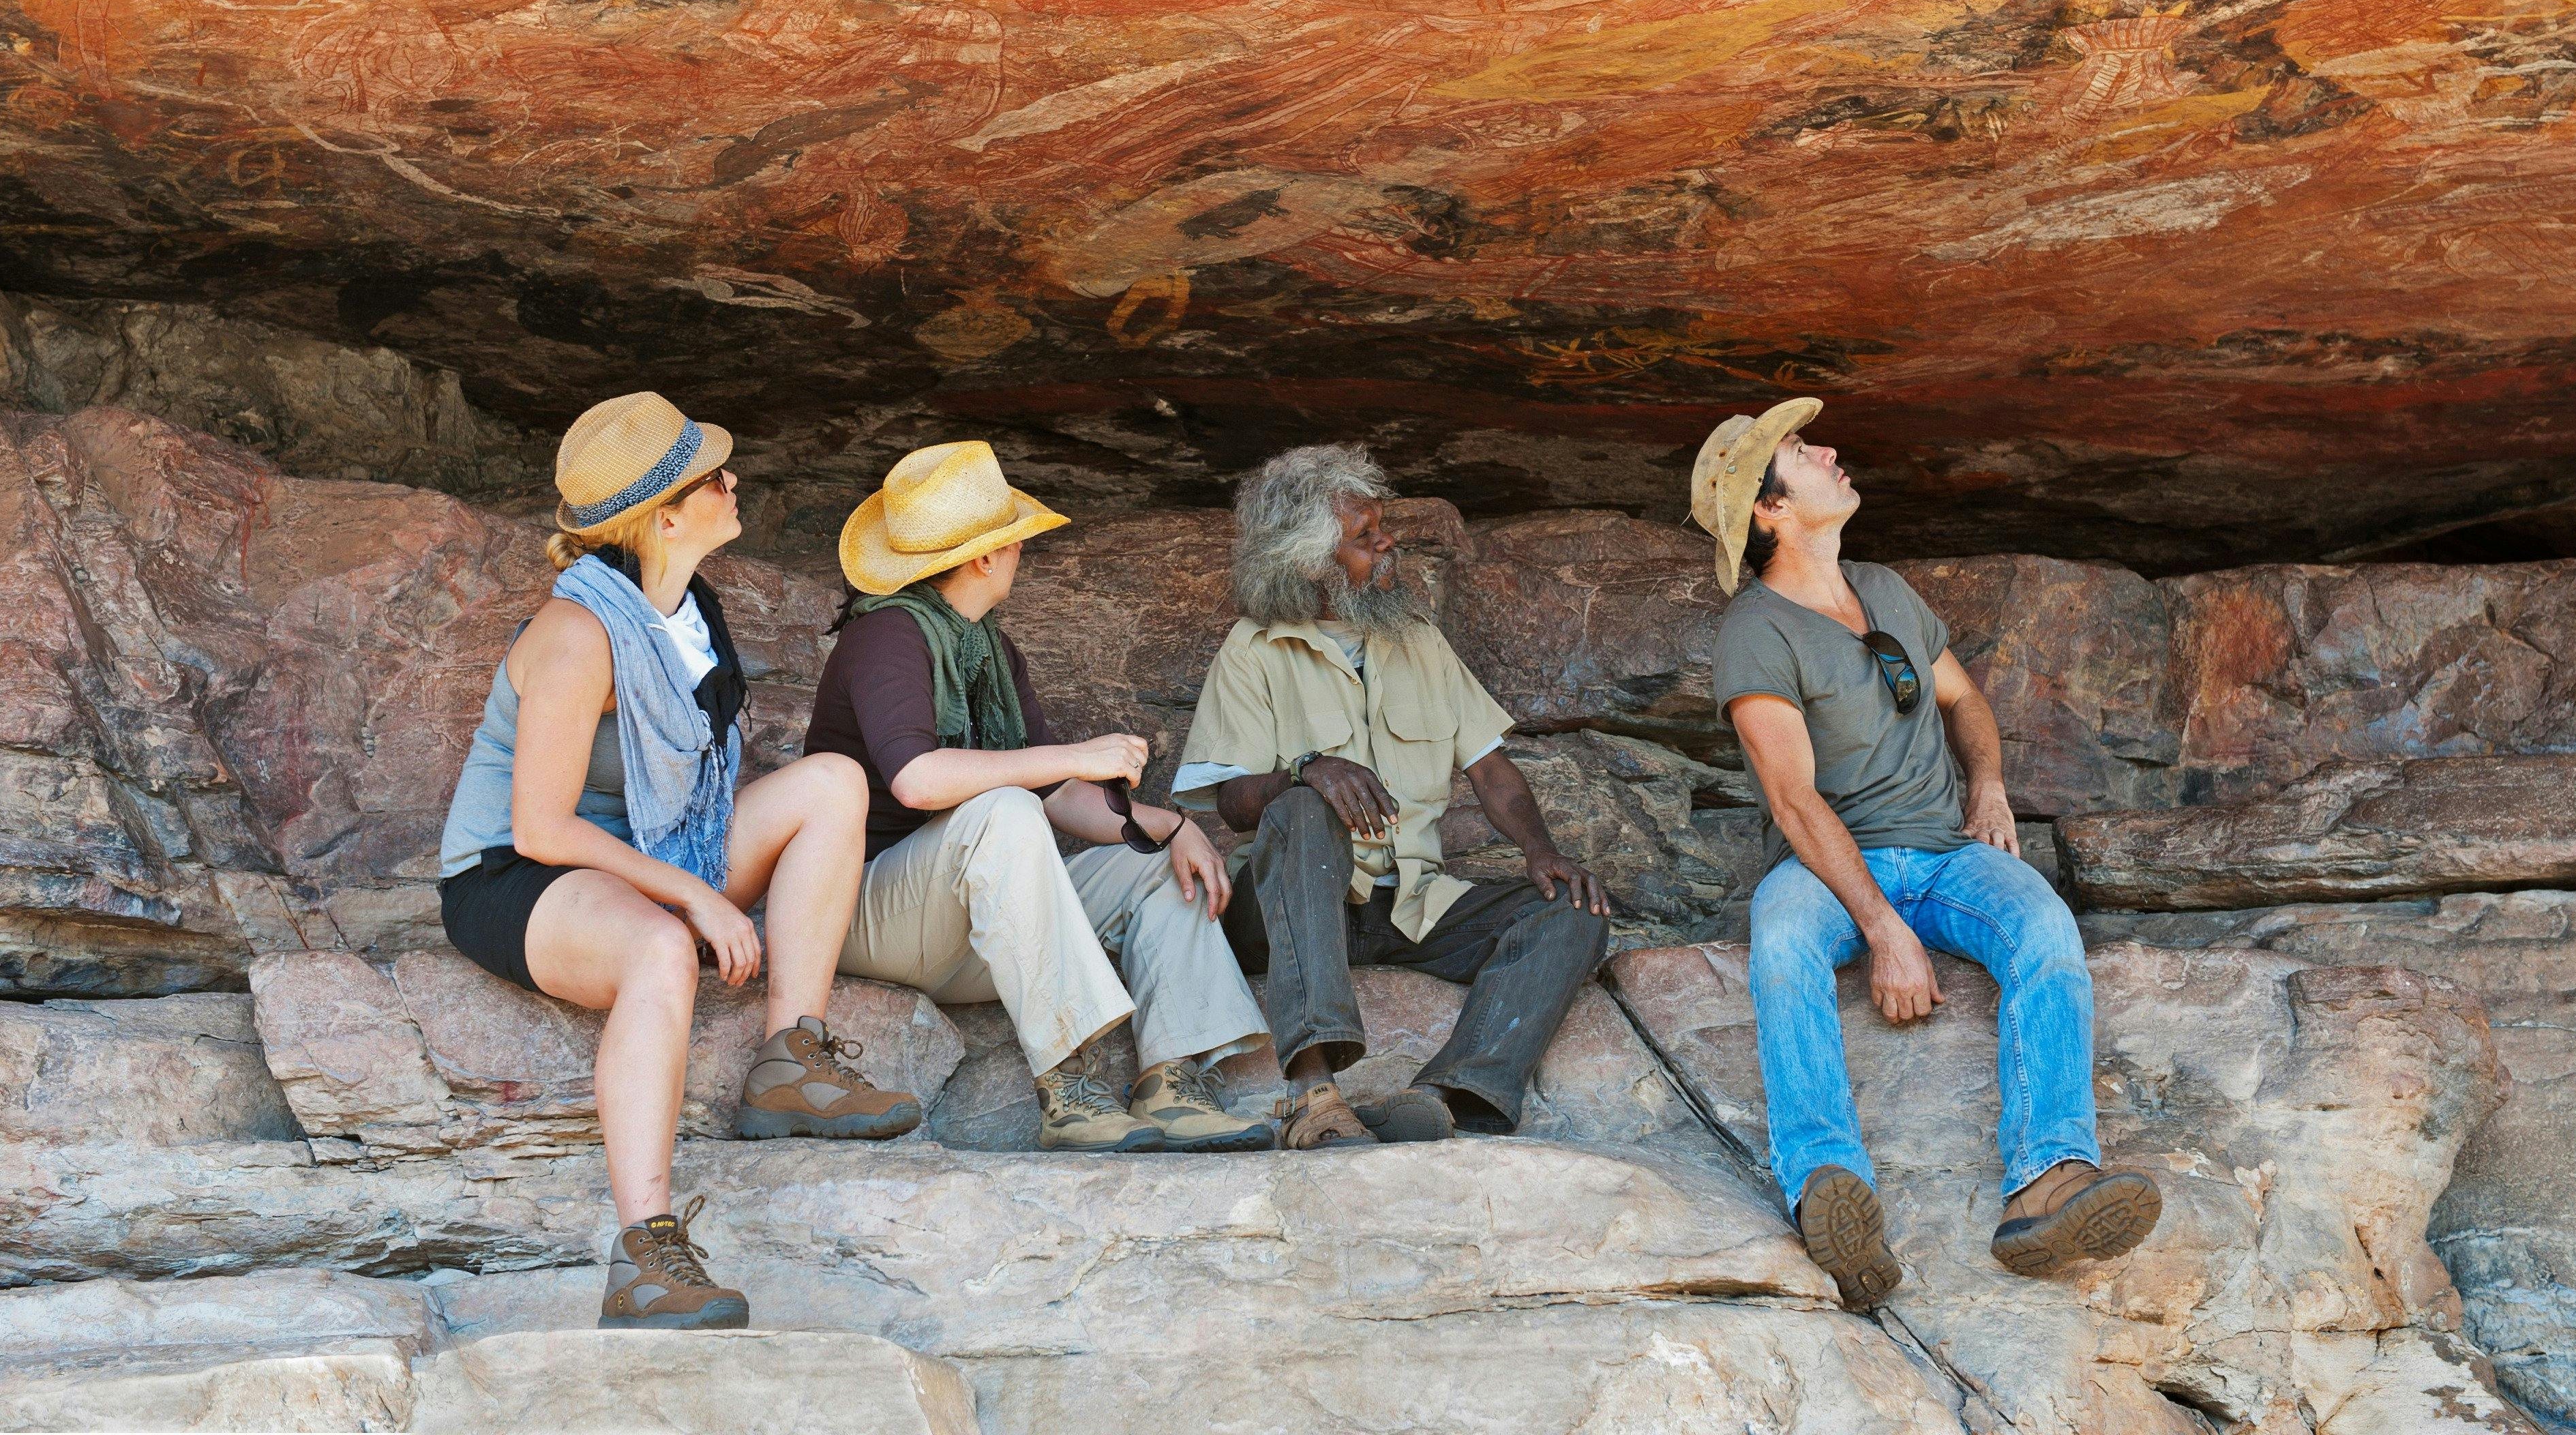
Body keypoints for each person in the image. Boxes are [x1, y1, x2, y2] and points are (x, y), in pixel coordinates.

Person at [436, 393, 913, 1334]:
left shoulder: (688, 612)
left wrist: (692, 879)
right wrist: (698, 897)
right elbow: (540, 828)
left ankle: (792, 1060)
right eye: (714, 477)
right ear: (663, 514)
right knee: (658, 950)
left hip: (655, 850)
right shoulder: (577, 636)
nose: (735, 483)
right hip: (515, 876)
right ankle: (646, 1255)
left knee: (831, 784)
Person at [1689, 397, 2160, 1308]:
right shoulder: (1755, 631)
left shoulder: (1887, 589)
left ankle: (2048, 1182)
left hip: (1945, 854)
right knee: (1782, 939)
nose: (1830, 451)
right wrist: (1883, 931)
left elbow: (1966, 702)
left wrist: (1987, 789)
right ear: (1770, 511)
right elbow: (1793, 798)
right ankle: (1828, 1185)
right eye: (1800, 453)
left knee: (2044, 929)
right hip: (1829, 869)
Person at [807, 439, 1273, 1152]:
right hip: (870, 913)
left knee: (1154, 860)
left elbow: (1055, 792)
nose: (1021, 553)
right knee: (1002, 808)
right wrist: (1076, 754)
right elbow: (918, 779)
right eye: (1014, 541)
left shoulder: (986, 646)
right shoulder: (887, 635)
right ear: (985, 556)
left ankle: (1172, 1081)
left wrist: (1171, 826)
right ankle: (1070, 1088)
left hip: (966, 923)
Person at [1174, 444, 1613, 1151]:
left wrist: (1540, 852)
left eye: (1382, 527)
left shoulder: (1416, 640)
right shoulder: (1252, 650)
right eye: (1363, 537)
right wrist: (1306, 770)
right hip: (1294, 905)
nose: (1387, 544)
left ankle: (1447, 1094)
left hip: (1408, 904)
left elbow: (1491, 770)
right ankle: (1315, 1095)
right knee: (1299, 808)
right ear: (1309, 562)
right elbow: (1232, 805)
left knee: (1573, 910)